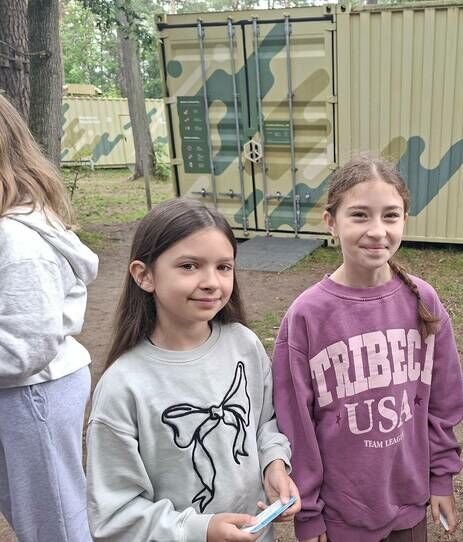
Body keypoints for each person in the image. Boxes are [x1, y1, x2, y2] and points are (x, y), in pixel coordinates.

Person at [272, 155, 463, 542]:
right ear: (331, 221)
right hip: (341, 515)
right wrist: (307, 513)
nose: (377, 231)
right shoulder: (307, 315)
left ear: (404, 219)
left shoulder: (423, 300)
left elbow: (443, 400)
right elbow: (295, 423)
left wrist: (441, 477)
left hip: (409, 505)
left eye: (390, 216)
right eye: (359, 215)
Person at [85, 199, 299, 542]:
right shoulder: (122, 387)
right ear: (144, 275)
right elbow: (114, 516)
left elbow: (265, 423)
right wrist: (201, 530)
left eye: (224, 267)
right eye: (189, 266)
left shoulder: (244, 345)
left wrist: (274, 464)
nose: (212, 282)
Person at [0, 95, 98, 542]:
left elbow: (25, 347)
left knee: (54, 522)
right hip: (21, 394)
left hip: (32, 394)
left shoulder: (17, 240)